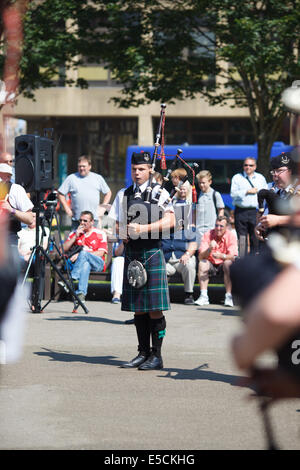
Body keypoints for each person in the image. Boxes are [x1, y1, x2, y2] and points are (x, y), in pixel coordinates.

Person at [108, 151, 175, 370]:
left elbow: (172, 221)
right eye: (134, 169)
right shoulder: (123, 194)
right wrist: (123, 233)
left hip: (152, 253)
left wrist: (144, 228)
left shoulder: (160, 193)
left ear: (149, 170)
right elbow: (115, 224)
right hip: (132, 254)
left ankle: (157, 355)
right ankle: (142, 352)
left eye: (142, 169)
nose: (137, 173)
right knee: (138, 308)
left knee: (154, 308)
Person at [162, 181, 197, 305]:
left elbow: (193, 244)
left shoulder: (189, 228)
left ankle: (189, 294)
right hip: (167, 260)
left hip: (181, 260)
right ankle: (161, 296)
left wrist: (187, 254)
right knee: (160, 269)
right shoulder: (164, 228)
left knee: (190, 264)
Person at [63, 210, 108, 306]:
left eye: (85, 221)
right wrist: (75, 237)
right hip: (83, 265)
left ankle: (71, 279)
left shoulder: (99, 233)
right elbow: (63, 249)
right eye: (80, 220)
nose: (82, 223)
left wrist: (82, 254)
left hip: (98, 263)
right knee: (86, 265)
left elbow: (101, 253)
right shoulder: (75, 233)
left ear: (92, 222)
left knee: (83, 254)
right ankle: (81, 295)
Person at [58, 155, 112, 230]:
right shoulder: (71, 178)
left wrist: (103, 207)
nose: (81, 168)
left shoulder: (98, 178)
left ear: (90, 166)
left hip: (93, 221)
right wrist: (67, 208)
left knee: (93, 241)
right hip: (77, 220)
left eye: (84, 166)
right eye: (79, 166)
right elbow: (60, 194)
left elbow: (108, 193)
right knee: (77, 241)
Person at [195, 215, 238, 307]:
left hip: (223, 263)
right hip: (210, 263)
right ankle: (203, 296)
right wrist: (209, 249)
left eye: (221, 226)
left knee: (228, 263)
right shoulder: (208, 235)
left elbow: (233, 257)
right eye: (216, 225)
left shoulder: (231, 236)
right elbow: (201, 256)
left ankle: (228, 296)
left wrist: (222, 256)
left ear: (226, 227)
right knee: (202, 263)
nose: (218, 228)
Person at [255, 152, 299, 241]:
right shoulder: (270, 188)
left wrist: (278, 220)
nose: (275, 174)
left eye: (279, 171)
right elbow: (261, 211)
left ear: (290, 171)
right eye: (273, 171)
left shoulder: (297, 189)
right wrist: (259, 226)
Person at [230, 157, 267, 255]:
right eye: (246, 165)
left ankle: (253, 262)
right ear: (243, 166)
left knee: (255, 237)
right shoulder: (237, 178)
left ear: (255, 167)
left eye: (251, 165)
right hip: (240, 211)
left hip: (255, 212)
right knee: (242, 239)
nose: (248, 167)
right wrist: (246, 191)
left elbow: (266, 194)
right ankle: (242, 261)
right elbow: (233, 194)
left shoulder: (260, 178)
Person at [0, 163, 34, 247]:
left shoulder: (16, 190)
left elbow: (30, 219)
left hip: (8, 241)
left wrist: (11, 210)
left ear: (8, 177)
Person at [195, 170, 225, 247]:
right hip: (199, 232)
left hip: (211, 231)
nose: (201, 185)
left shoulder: (215, 194)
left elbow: (221, 211)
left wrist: (218, 228)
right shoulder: (197, 195)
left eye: (203, 183)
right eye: (199, 183)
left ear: (210, 182)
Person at [110, 239, 125, 304]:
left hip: (144, 258)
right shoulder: (126, 233)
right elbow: (117, 253)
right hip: (126, 259)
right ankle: (116, 294)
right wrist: (124, 242)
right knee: (118, 260)